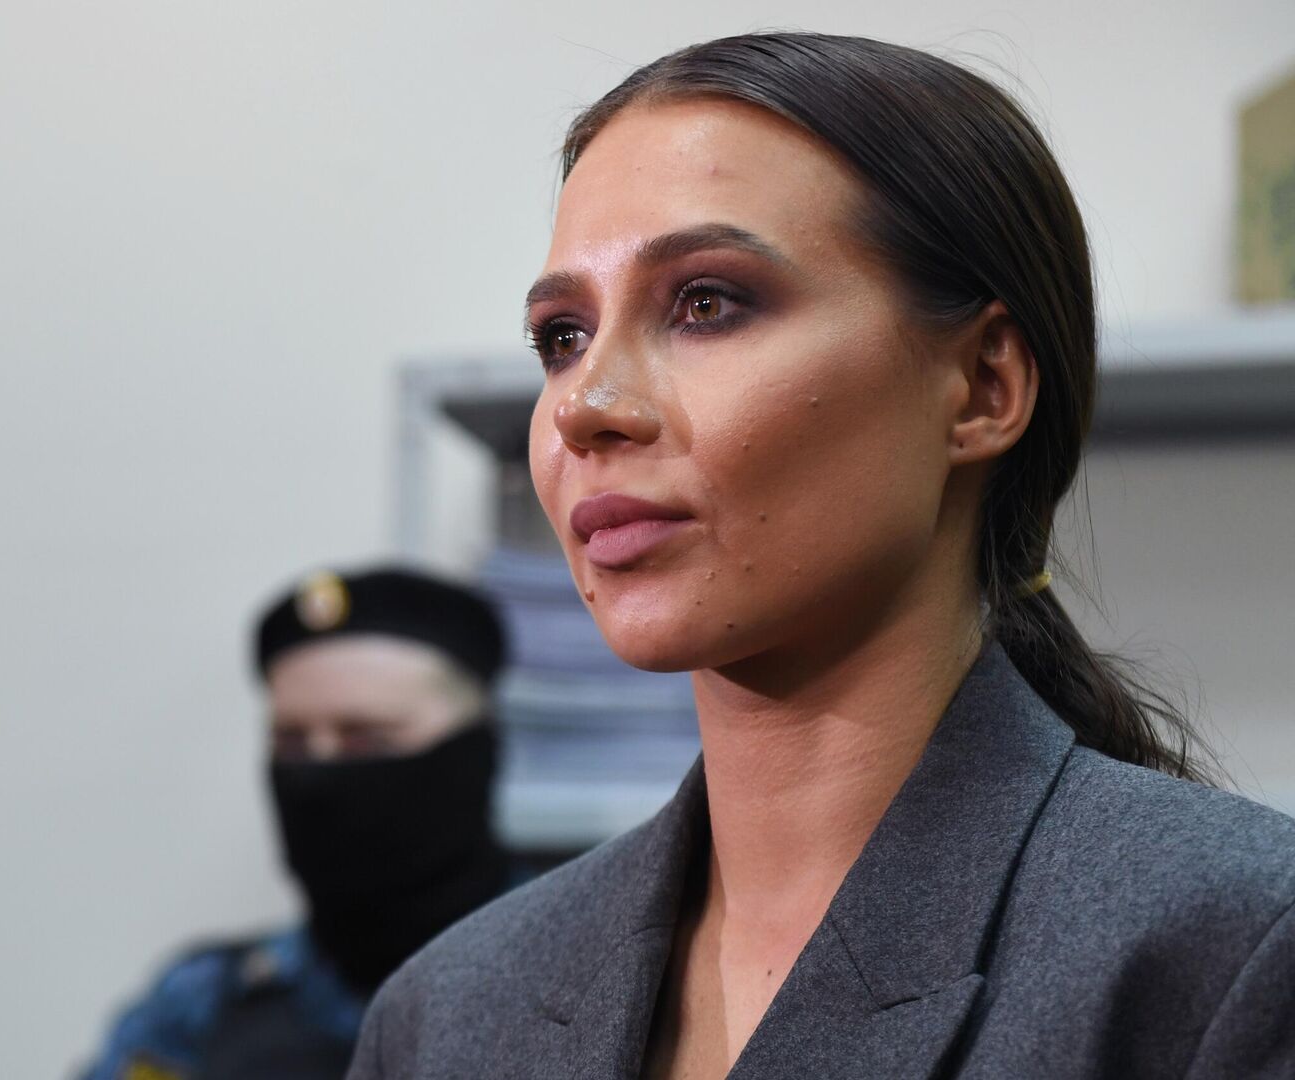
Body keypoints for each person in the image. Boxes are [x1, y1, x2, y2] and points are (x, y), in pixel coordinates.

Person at [350, 32, 1295, 1080]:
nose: (584, 407)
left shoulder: (1234, 954)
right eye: (561, 337)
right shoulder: (444, 1016)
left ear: (983, 388)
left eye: (706, 304)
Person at [82, 566, 512, 1080]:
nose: (319, 775)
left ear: (475, 753)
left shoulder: (573, 978)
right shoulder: (200, 1007)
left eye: (366, 739)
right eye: (292, 744)